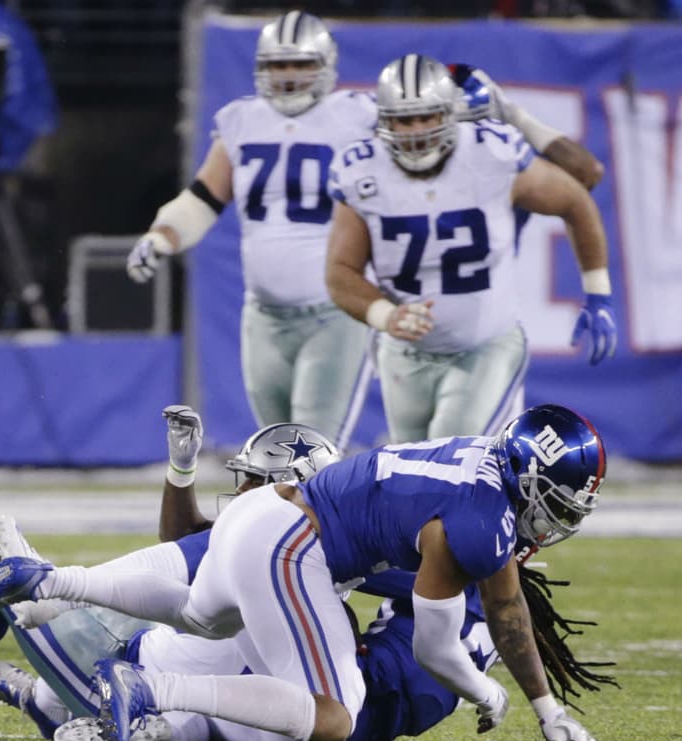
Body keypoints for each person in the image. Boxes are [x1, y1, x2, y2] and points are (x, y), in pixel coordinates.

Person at [0, 403, 611, 741]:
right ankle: (149, 688)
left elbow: (504, 605)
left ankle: (51, 582)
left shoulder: (478, 460)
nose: (559, 519)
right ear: (526, 481)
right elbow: (437, 649)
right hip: (295, 545)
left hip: (269, 517)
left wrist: (545, 706)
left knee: (199, 615)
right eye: (556, 502)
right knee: (333, 717)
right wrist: (486, 694)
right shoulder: (477, 524)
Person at [125, 15, 606, 448]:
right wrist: (163, 233)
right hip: (297, 318)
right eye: (278, 65)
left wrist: (510, 116)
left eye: (300, 63)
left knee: (339, 450)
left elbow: (579, 180)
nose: (289, 76)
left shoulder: (376, 120)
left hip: (390, 320)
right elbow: (208, 199)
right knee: (279, 450)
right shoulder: (250, 124)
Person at [0, 411, 341, 741]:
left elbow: (161, 560)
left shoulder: (267, 545)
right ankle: (45, 702)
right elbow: (188, 541)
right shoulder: (323, 562)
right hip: (177, 692)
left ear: (288, 487)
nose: (241, 493)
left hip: (129, 684)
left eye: (255, 482)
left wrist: (52, 587)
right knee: (152, 616)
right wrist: (181, 470)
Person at [324, 54, 617, 443]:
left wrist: (598, 292)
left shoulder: (492, 152)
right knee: (408, 471)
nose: (415, 132)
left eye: (426, 117)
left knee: (451, 452)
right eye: (403, 120)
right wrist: (386, 315)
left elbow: (581, 186)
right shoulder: (362, 170)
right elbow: (340, 270)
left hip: (483, 338)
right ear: (383, 119)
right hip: (407, 349)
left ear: (451, 115)